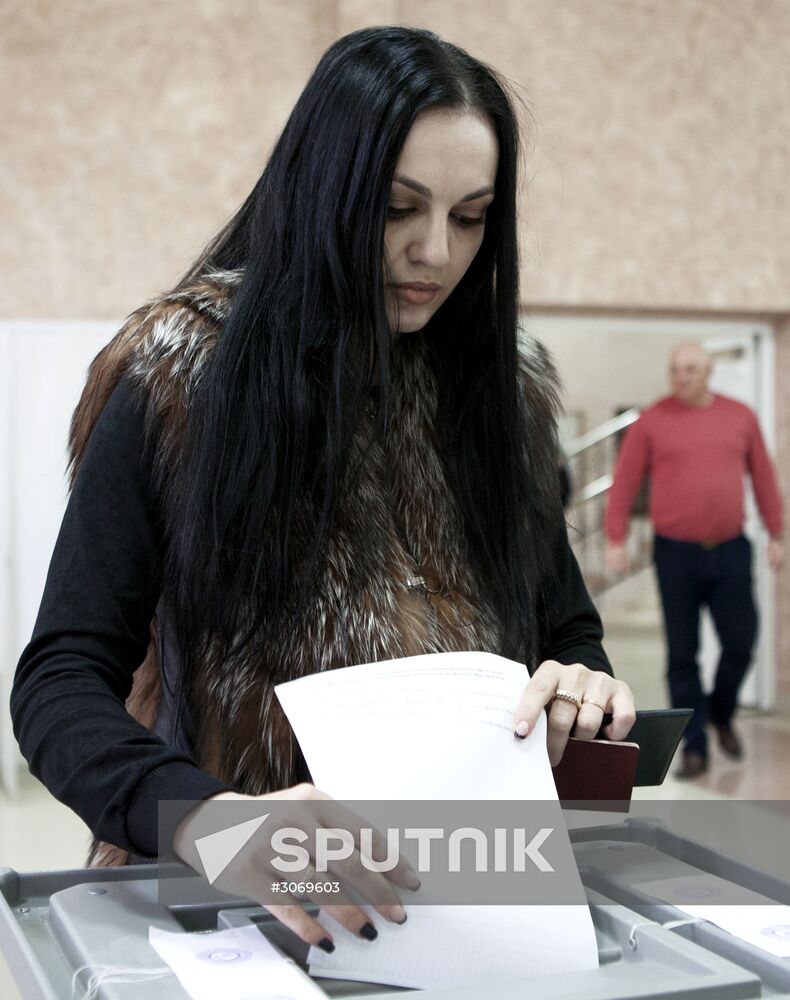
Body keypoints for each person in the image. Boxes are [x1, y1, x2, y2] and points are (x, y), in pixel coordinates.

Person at [12, 26, 634, 953]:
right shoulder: (180, 375)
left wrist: (586, 698)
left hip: (467, 910)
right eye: (396, 207)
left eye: (471, 218)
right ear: (324, 191)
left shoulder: (507, 392)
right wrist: (219, 824)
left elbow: (564, 632)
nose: (435, 252)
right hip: (235, 911)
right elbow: (59, 683)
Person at [605, 343, 782, 779]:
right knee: (683, 654)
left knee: (741, 643)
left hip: (730, 548)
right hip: (675, 552)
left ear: (708, 372)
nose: (680, 376)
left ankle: (720, 713)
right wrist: (615, 537)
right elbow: (625, 481)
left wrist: (776, 532)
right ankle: (696, 746)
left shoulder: (739, 416)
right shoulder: (652, 420)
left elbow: (763, 476)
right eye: (675, 369)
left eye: (690, 369)